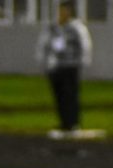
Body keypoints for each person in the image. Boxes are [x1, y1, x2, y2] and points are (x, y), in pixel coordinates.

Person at [36, 1, 92, 138]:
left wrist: (83, 61)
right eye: (61, 10)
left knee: (70, 95)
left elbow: (85, 45)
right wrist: (44, 61)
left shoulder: (76, 27)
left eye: (64, 10)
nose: (62, 13)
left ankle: (73, 123)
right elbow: (44, 44)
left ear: (70, 12)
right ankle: (64, 123)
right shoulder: (53, 27)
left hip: (71, 65)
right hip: (56, 66)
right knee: (59, 96)